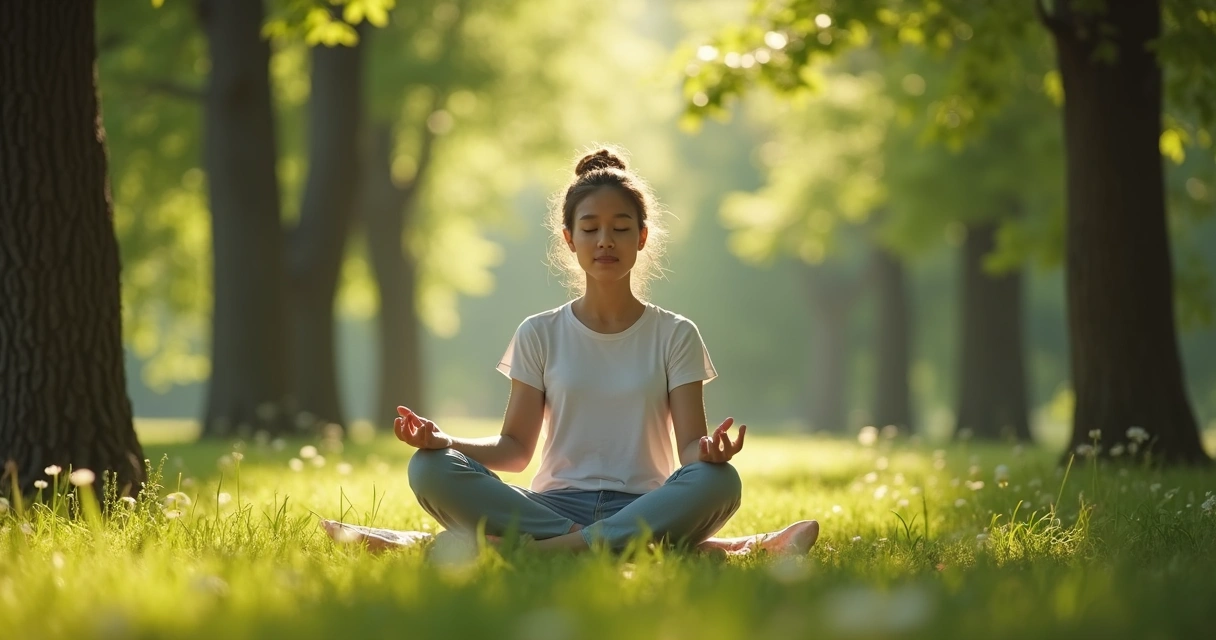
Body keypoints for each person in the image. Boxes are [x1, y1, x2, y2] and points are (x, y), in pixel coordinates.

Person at [322, 147, 819, 556]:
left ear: (642, 237)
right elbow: (514, 451)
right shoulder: (539, 332)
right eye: (591, 228)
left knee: (719, 481)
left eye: (621, 228)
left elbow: (690, 449)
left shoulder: (675, 333)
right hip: (552, 509)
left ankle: (519, 550)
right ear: (569, 239)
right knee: (428, 468)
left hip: (644, 504)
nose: (606, 240)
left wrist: (708, 454)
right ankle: (696, 548)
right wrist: (443, 442)